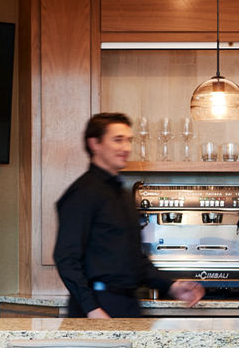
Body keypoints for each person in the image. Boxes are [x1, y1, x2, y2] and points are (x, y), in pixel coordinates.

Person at [53, 113, 203, 318]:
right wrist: (91, 309)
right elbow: (66, 257)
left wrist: (172, 286)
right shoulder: (83, 193)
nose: (126, 148)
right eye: (118, 140)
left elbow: (135, 260)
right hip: (98, 308)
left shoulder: (122, 194)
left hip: (127, 305)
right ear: (95, 143)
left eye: (128, 140)